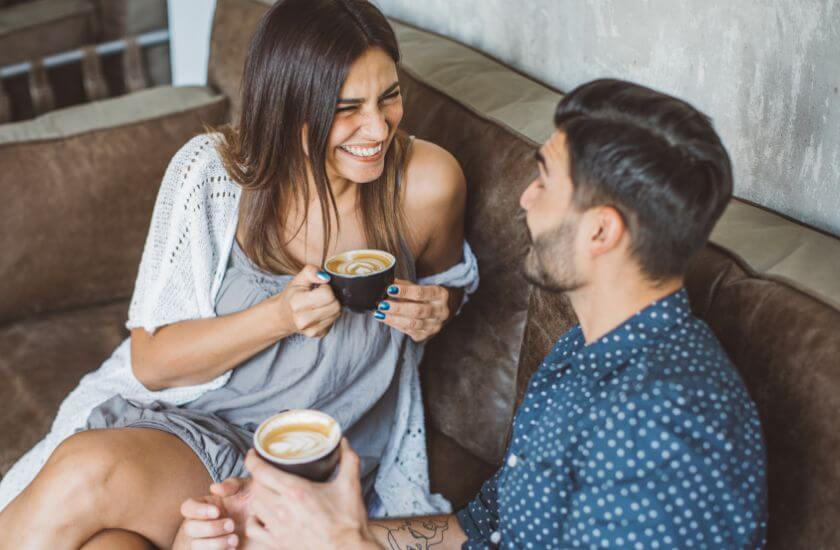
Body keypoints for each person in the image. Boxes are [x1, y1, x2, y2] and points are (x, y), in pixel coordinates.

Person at [175, 78, 768, 549]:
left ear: (601, 231)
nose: (525, 198)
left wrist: (342, 543)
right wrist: (309, 526)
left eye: (544, 181)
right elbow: (477, 532)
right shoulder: (581, 352)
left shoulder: (670, 423)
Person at [0, 0, 479, 548]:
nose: (378, 127)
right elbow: (151, 363)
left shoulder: (429, 184)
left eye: (388, 96)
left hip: (306, 461)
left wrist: (438, 309)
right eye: (347, 108)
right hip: (194, 428)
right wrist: (279, 317)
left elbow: (447, 292)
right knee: (87, 474)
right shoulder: (213, 174)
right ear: (287, 106)